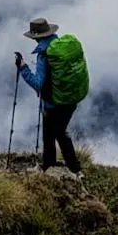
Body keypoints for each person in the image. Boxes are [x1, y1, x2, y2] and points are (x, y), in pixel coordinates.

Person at [15, 15, 83, 179]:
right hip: (71, 98)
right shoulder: (63, 47)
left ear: (36, 37)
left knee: (51, 133)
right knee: (60, 132)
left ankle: (54, 166)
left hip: (54, 103)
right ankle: (73, 169)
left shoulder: (44, 55)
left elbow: (38, 84)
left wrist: (23, 68)